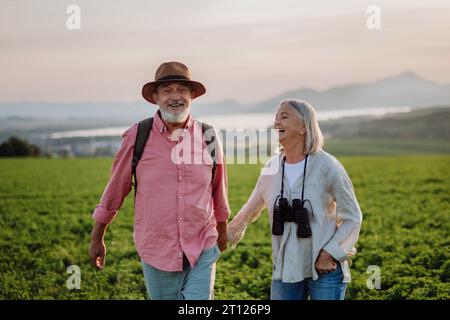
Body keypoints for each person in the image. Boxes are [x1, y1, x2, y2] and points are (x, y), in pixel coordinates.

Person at [89, 61, 230, 300]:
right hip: (157, 248)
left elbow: (219, 188)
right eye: (167, 90)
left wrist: (223, 230)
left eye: (182, 90)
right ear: (155, 97)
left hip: (203, 244)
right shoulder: (138, 136)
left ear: (192, 96)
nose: (175, 97)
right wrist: (97, 235)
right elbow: (115, 189)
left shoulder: (209, 136)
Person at [227, 99, 362, 300]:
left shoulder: (328, 166)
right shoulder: (271, 169)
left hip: (324, 268)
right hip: (285, 268)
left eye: (284, 116)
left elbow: (353, 217)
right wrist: (223, 234)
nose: (276, 123)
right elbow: (250, 210)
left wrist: (330, 253)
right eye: (276, 118)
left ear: (303, 127)